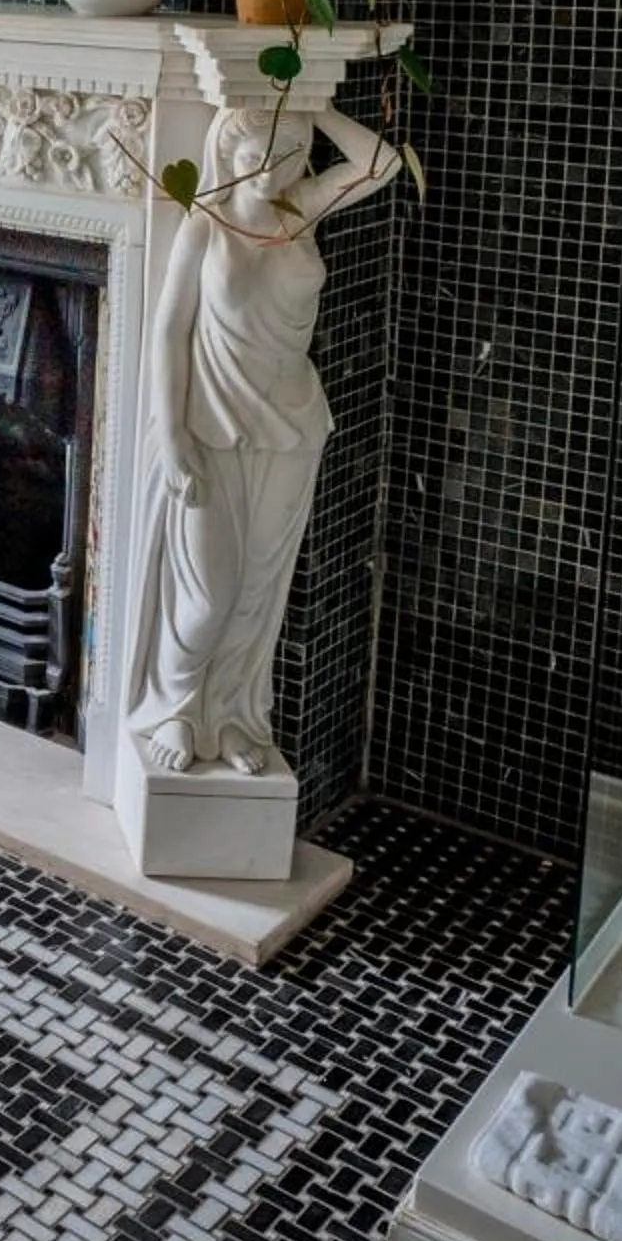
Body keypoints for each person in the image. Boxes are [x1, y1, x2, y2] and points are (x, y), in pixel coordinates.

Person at [131, 99, 402, 775]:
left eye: (283, 156)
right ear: (227, 152)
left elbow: (381, 163)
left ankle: (227, 717)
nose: (266, 169)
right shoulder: (207, 222)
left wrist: (317, 103)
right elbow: (169, 331)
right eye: (252, 154)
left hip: (291, 423)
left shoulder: (299, 208)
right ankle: (176, 703)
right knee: (208, 596)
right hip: (210, 422)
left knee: (257, 587)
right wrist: (170, 437)